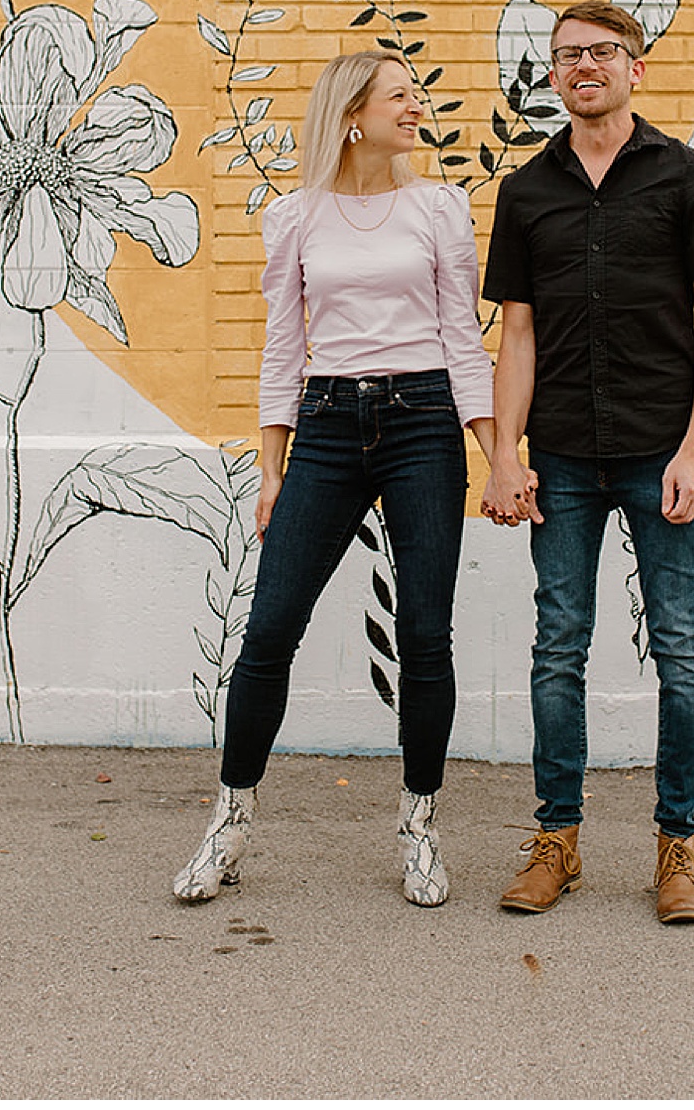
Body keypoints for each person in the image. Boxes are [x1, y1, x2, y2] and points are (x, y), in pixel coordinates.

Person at [173, 51, 499, 908]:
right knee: (270, 627)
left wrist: (496, 450)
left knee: (425, 634)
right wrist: (272, 469)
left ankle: (419, 826)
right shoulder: (295, 217)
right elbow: (282, 347)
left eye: (416, 92)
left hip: (424, 423)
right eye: (402, 94)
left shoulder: (439, 207)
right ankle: (230, 821)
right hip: (323, 425)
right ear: (353, 113)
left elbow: (464, 340)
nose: (417, 105)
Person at [480, 0, 694, 924]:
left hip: (660, 453)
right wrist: (503, 455)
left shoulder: (685, 176)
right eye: (565, 57)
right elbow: (517, 333)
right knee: (558, 649)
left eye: (601, 52)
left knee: (680, 647)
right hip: (560, 458)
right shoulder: (526, 191)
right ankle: (558, 840)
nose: (582, 66)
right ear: (552, 78)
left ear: (636, 67)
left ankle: (679, 846)